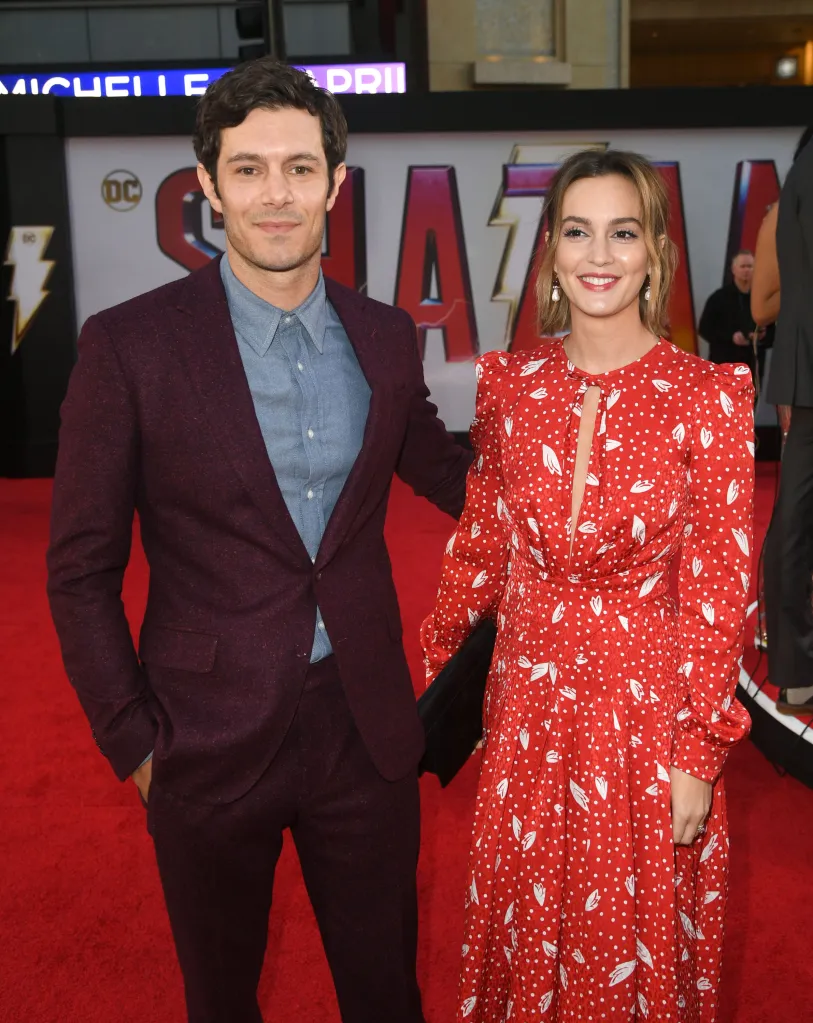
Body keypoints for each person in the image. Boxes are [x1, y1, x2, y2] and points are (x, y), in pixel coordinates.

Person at [46, 58, 472, 1023]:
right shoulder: (131, 347)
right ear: (206, 184)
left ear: (335, 182)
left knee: (384, 995)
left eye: (297, 167)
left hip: (363, 730)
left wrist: (593, 499)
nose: (274, 195)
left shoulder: (383, 334)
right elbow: (78, 568)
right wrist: (136, 742)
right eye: (247, 170)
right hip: (200, 735)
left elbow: (447, 476)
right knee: (222, 1001)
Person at [421, 149, 754, 1022]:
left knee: (623, 951)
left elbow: (718, 587)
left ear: (654, 254)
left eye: (622, 231)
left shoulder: (706, 397)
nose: (597, 253)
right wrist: (435, 683)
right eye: (576, 230)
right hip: (526, 710)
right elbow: (480, 547)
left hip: (642, 719)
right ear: (551, 252)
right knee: (527, 928)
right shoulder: (511, 385)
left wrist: (697, 751)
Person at [753, 127, 813, 715]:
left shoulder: (789, 192)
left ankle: (795, 667)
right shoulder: (788, 201)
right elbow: (760, 307)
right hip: (800, 370)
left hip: (800, 367)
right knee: (795, 518)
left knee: (795, 515)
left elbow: (768, 305)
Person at [698, 249, 773, 392]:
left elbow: (774, 332)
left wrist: (762, 338)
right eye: (742, 266)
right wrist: (731, 337)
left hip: (753, 369)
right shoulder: (718, 298)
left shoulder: (763, 300)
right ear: (733, 269)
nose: (746, 271)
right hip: (724, 366)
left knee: (749, 411)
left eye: (750, 266)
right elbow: (704, 329)